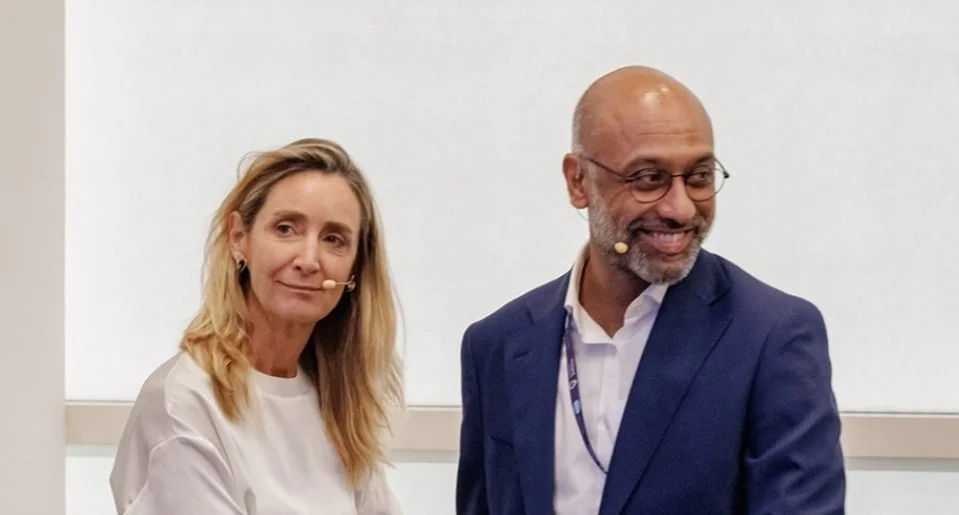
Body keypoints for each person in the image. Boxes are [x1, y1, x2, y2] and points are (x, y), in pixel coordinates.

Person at [455, 66, 846, 514]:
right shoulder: (497, 345)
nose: (680, 208)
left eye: (699, 177)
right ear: (578, 181)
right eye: (647, 179)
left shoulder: (771, 337)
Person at [110, 138, 405, 514]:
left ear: (355, 268)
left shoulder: (336, 400)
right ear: (238, 238)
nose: (309, 259)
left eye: (334, 239)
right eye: (286, 229)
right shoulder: (184, 404)